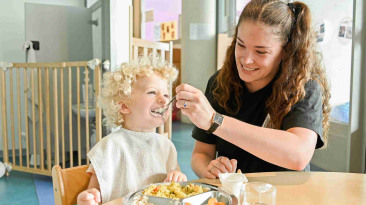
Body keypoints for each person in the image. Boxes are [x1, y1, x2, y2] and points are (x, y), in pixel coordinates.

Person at [175, 0, 331, 179]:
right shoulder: (220, 83)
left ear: (286, 51)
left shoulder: (303, 86)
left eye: (261, 52)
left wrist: (215, 121)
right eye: (241, 45)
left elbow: (298, 155)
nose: (246, 60)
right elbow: (201, 154)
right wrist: (209, 170)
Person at [77, 55, 187, 205]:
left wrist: (178, 176)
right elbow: (94, 193)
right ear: (124, 106)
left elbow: (175, 186)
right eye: (152, 92)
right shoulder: (109, 146)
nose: (164, 100)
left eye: (166, 94)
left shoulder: (167, 146)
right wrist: (89, 198)